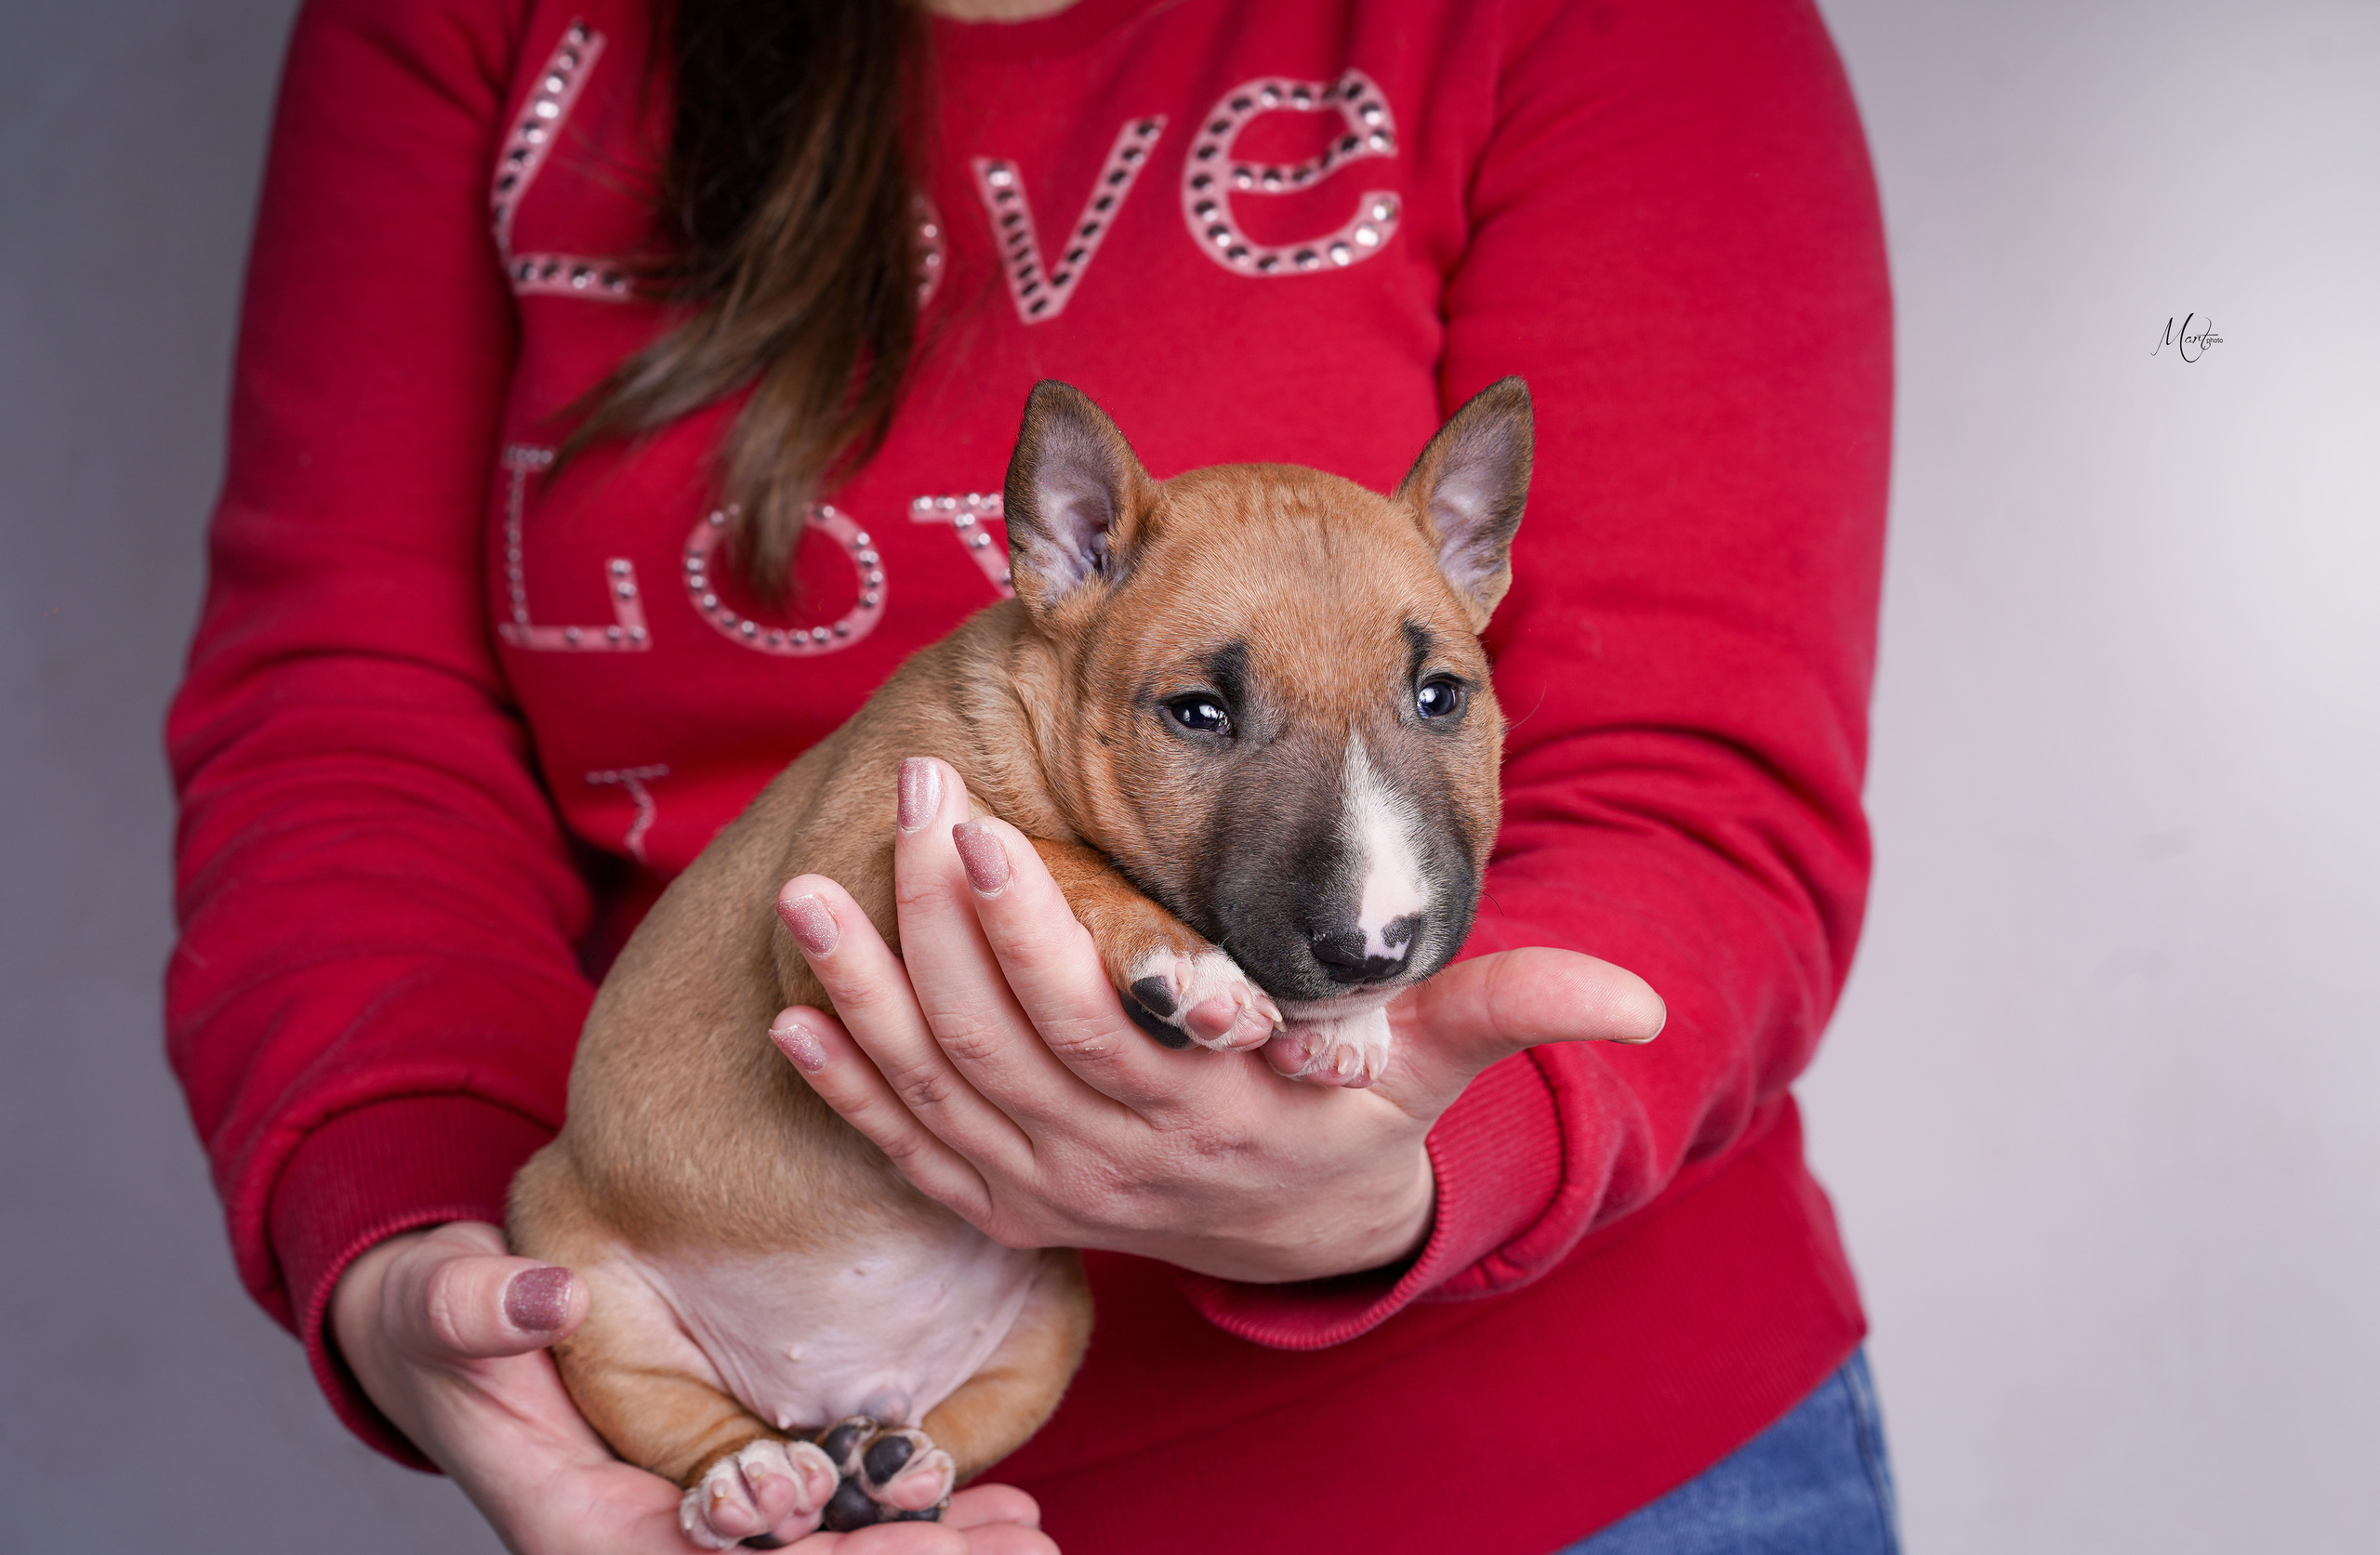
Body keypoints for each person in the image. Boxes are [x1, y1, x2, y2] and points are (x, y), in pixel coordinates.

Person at [166, 0, 1896, 1550]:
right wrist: (425, 1251)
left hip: (1574, 1470)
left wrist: (1416, 1165)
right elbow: (350, 727)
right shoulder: (481, 28)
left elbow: (1699, 790)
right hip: (746, 1411)